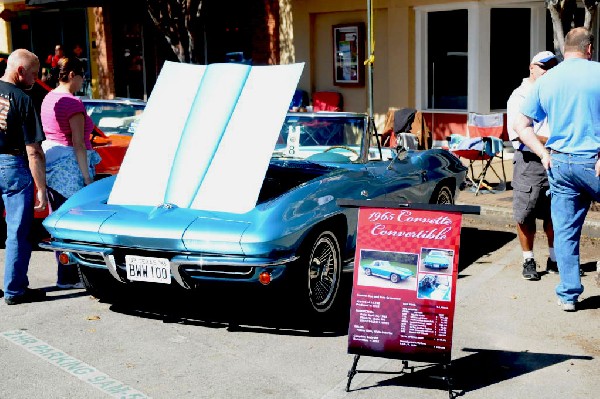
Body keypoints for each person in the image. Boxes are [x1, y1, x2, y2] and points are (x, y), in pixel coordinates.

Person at [514, 27, 600, 312]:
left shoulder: (547, 80)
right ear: (589, 49)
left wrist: (541, 153)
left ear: (565, 51)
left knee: (565, 231)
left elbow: (520, 125)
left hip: (560, 162)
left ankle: (568, 295)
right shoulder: (598, 72)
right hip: (594, 161)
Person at [40, 57, 100, 289]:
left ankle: (65, 275)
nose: (83, 81)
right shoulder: (72, 103)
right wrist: (87, 178)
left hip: (52, 165)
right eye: (82, 76)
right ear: (73, 74)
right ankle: (72, 276)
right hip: (70, 169)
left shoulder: (49, 98)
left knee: (59, 223)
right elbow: (78, 143)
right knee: (75, 225)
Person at [0, 49, 48, 305]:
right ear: (20, 71)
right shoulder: (22, 99)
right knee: (17, 230)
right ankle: (15, 290)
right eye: (33, 74)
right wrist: (41, 188)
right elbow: (34, 151)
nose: (35, 78)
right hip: (11, 165)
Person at [506, 51, 558, 281]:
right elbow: (518, 133)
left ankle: (555, 259)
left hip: (556, 159)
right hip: (530, 162)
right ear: (531, 67)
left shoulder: (556, 93)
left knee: (556, 213)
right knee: (525, 213)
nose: (548, 72)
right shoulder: (520, 96)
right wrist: (557, 139)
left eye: (552, 67)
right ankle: (528, 258)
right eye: (543, 67)